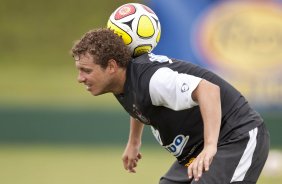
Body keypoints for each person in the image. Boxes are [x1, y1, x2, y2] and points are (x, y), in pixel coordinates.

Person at [70, 28, 270, 184]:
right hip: (197, 149)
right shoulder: (121, 82)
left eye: (86, 70)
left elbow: (208, 90)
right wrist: (133, 142)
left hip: (237, 135)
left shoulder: (154, 80)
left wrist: (210, 147)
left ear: (112, 67)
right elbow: (138, 104)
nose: (80, 78)